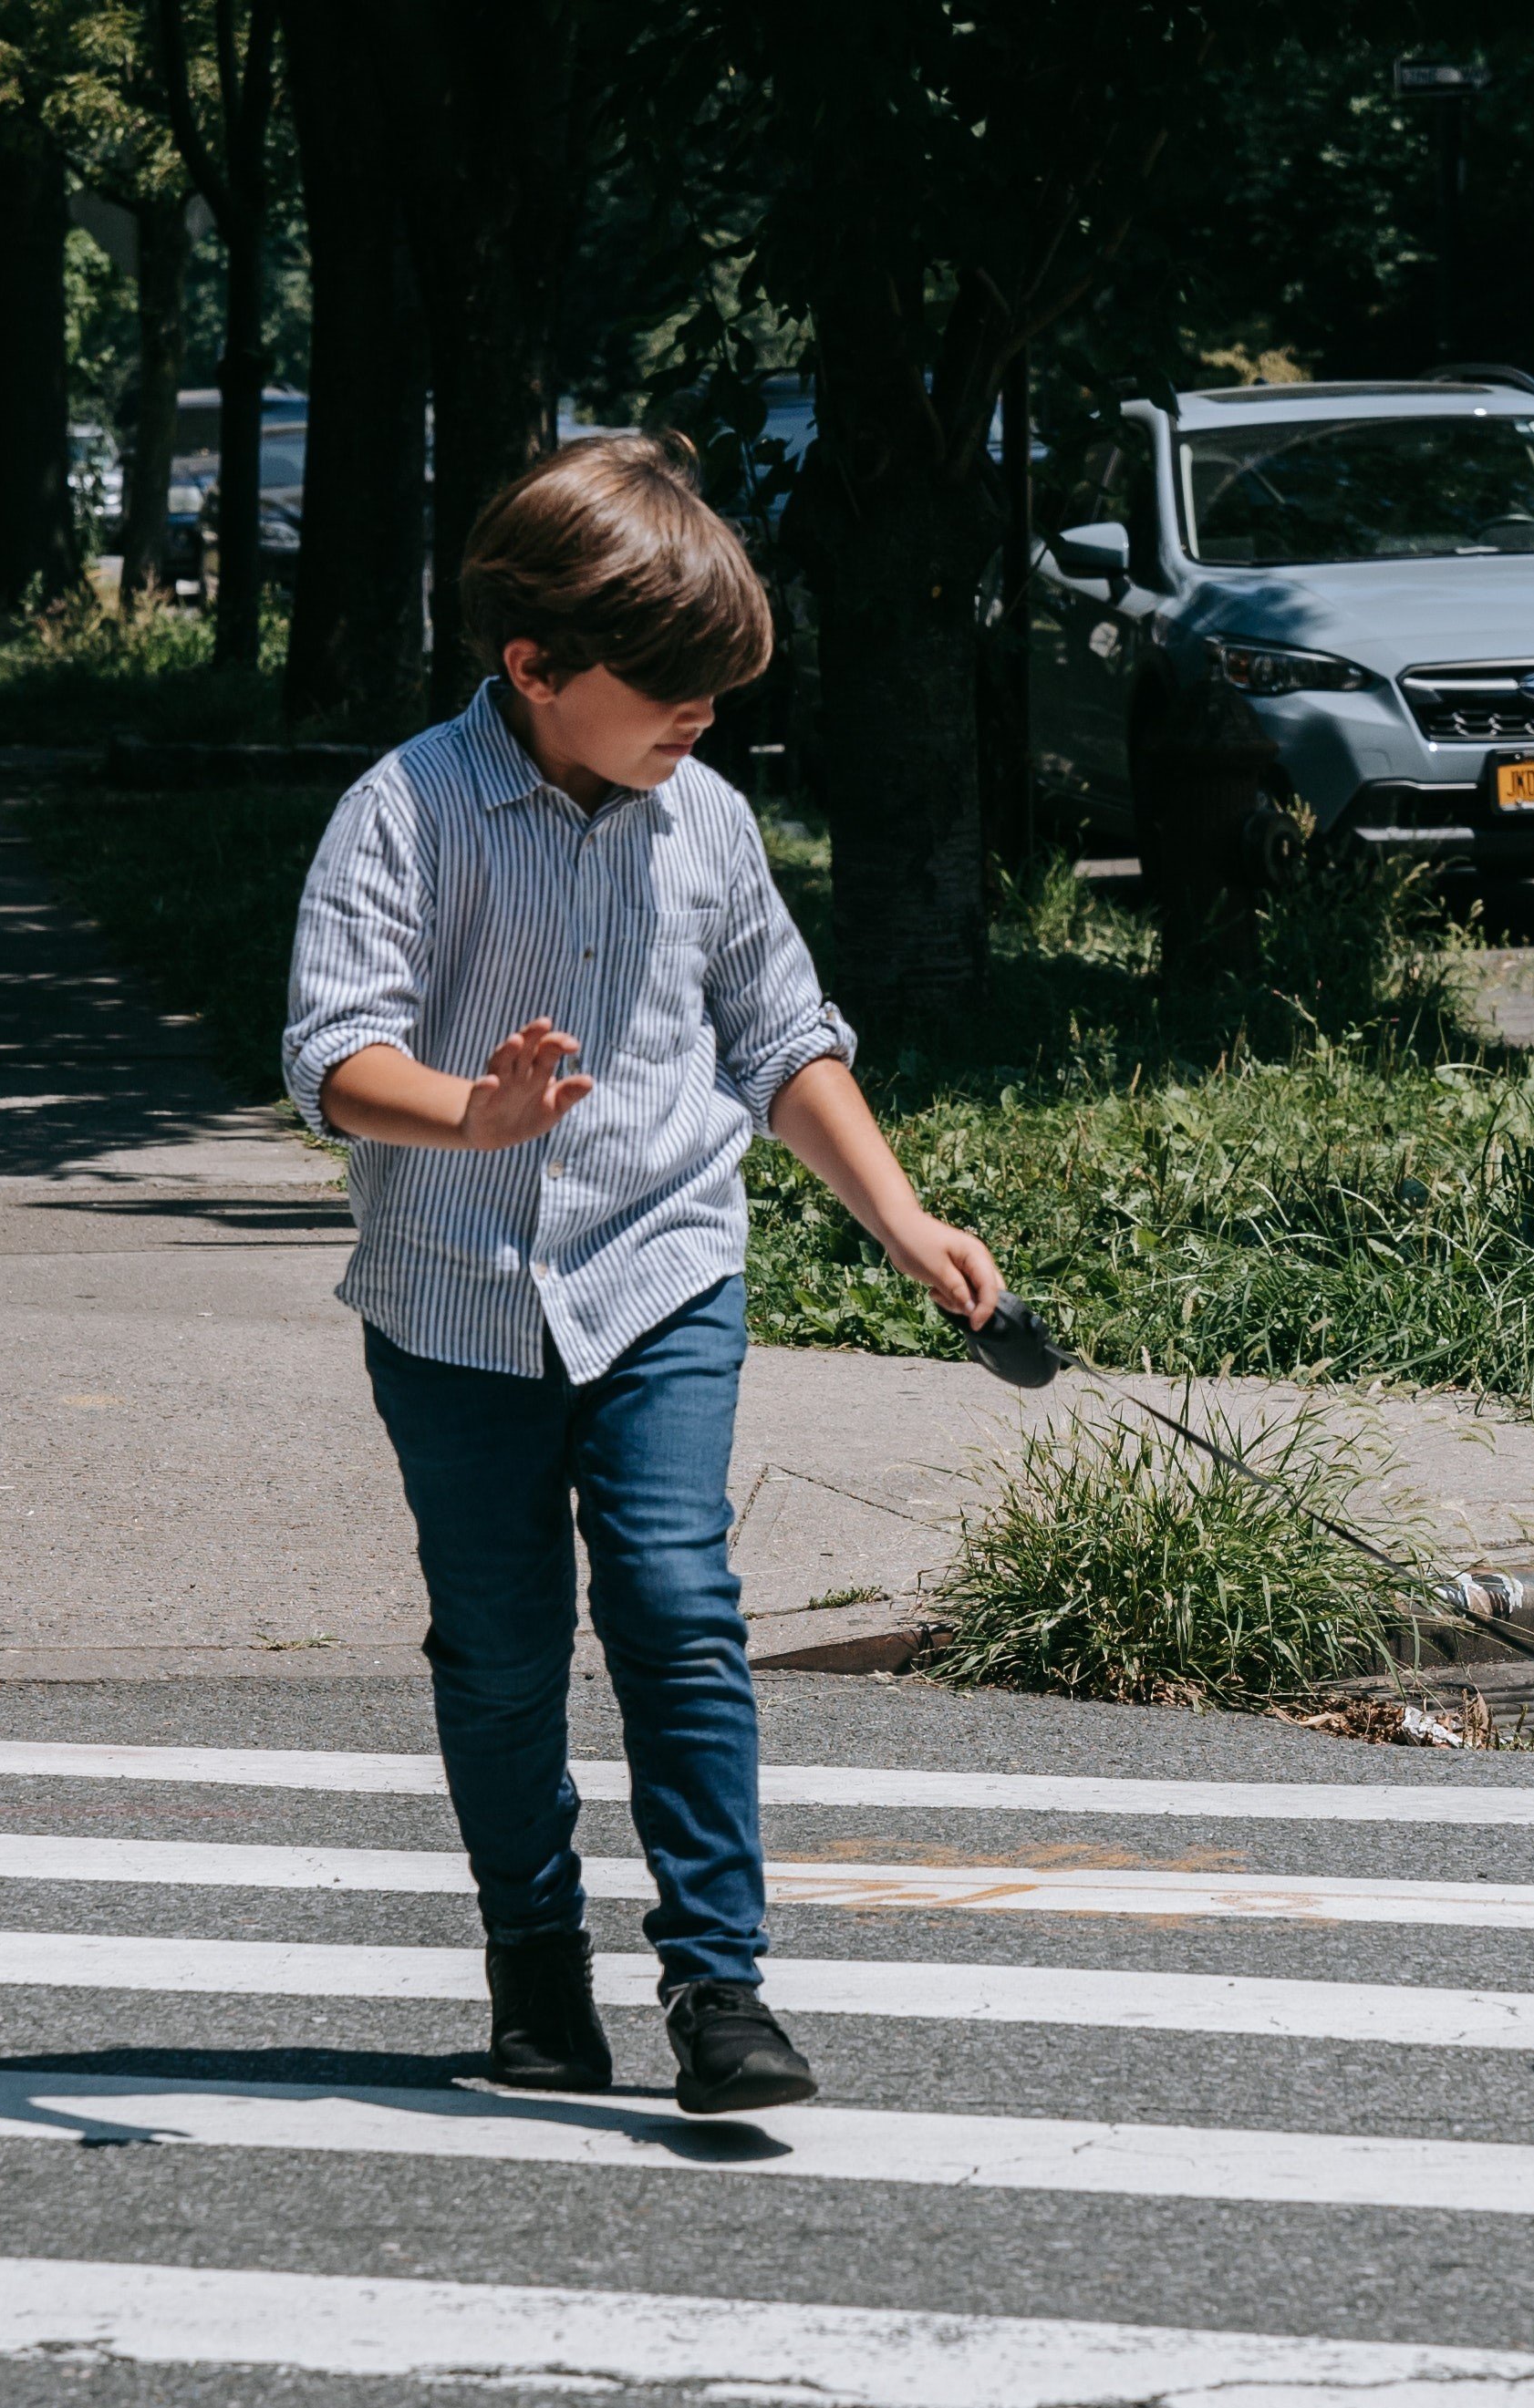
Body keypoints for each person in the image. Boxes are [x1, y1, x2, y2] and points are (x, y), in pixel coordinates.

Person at [283, 431, 1003, 2114]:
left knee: (678, 1605)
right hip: (454, 1296)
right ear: (535, 665)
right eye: (667, 687)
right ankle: (535, 1956)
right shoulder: (405, 809)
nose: (699, 722)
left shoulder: (709, 822)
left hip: (661, 1267)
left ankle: (718, 1985)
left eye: (715, 691)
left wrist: (899, 1215)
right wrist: (472, 1109)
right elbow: (330, 1055)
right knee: (502, 1646)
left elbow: (780, 1035)